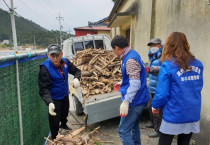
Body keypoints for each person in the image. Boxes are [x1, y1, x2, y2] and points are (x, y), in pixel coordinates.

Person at [151, 32, 203, 145]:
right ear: (186, 44)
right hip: (192, 112)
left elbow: (162, 93)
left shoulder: (168, 65)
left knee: (164, 141)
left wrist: (155, 105)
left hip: (174, 113)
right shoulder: (198, 64)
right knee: (184, 142)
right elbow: (198, 87)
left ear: (169, 46)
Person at [111, 36, 150, 145]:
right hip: (140, 98)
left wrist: (126, 101)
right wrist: (122, 82)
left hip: (135, 101)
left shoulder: (130, 60)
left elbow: (135, 84)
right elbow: (134, 77)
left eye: (114, 50)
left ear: (117, 48)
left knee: (123, 130)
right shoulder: (132, 53)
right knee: (134, 124)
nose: (115, 53)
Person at [38, 44, 81, 140]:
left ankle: (64, 125)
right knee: (54, 120)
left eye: (57, 55)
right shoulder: (45, 68)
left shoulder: (65, 62)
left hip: (64, 94)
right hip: (54, 98)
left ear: (61, 54)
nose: (55, 58)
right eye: (52, 56)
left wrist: (77, 79)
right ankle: (55, 138)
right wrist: (49, 102)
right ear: (48, 55)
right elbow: (44, 89)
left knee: (65, 112)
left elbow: (76, 71)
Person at [145, 38, 163, 138]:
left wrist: (150, 70)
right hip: (152, 85)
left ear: (160, 45)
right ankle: (153, 124)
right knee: (149, 106)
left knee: (156, 110)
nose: (152, 47)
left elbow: (164, 67)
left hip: (158, 86)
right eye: (151, 45)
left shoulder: (163, 56)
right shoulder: (153, 56)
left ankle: (158, 130)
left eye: (154, 45)